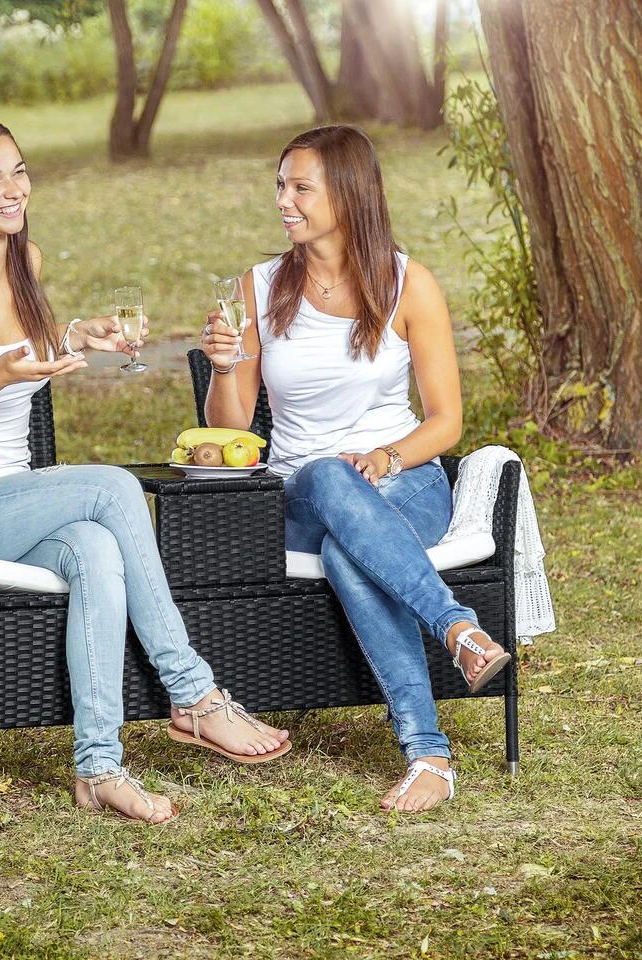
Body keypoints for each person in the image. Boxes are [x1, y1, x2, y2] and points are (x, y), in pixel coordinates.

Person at [0, 116, 290, 824]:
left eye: (19, 171)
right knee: (112, 486)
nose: (15, 190)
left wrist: (75, 333)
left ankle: (99, 768)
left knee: (96, 548)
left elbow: (24, 344)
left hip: (9, 509)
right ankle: (193, 693)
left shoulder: (25, 262)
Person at [199, 125, 510, 813]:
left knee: (349, 550)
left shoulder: (408, 284)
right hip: (303, 493)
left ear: (346, 195)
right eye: (280, 185)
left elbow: (446, 422)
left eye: (301, 188)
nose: (283, 200)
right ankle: (458, 628)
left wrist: (386, 455)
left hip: (405, 482)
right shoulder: (258, 288)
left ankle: (429, 757)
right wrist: (224, 367)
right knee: (323, 474)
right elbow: (230, 430)